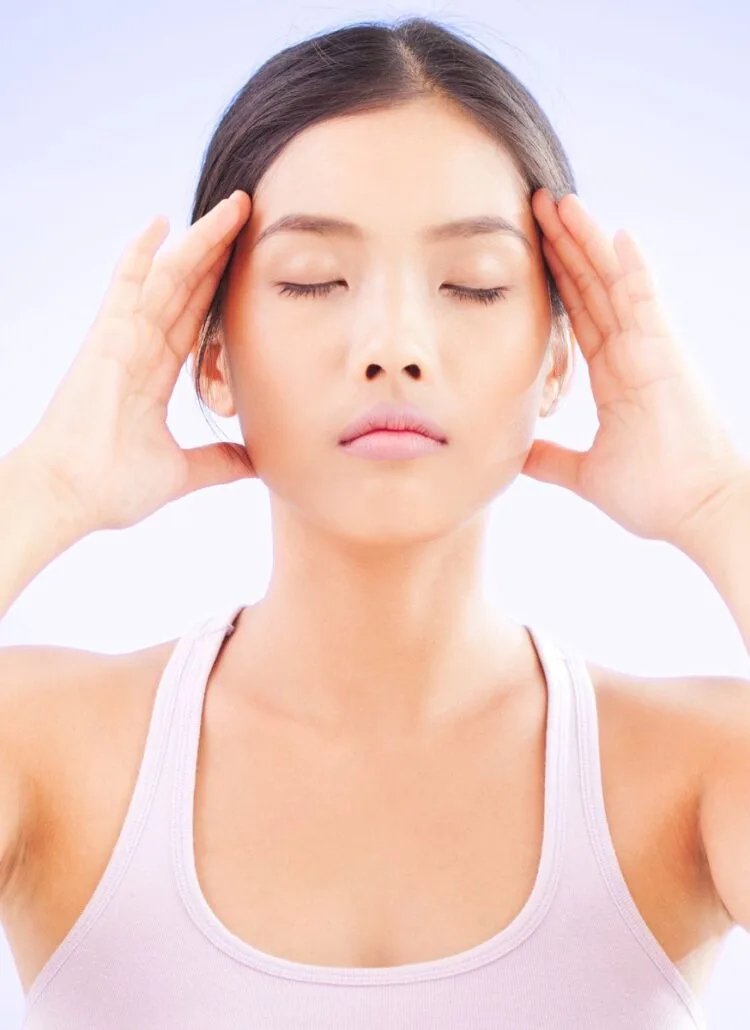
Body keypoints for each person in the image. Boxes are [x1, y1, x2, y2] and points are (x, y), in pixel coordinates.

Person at [1, 15, 748, 1030]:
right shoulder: (42, 746)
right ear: (211, 355)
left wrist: (720, 504)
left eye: (472, 285)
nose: (393, 345)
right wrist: (44, 487)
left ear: (560, 362)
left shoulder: (699, 766)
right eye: (313, 277)